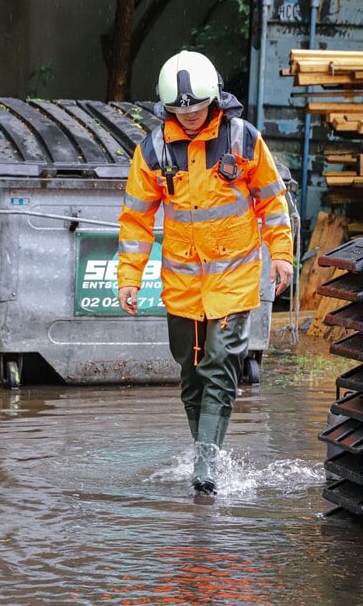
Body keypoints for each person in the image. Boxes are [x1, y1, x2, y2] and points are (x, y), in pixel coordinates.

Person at [116, 50, 294, 495]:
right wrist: (128, 279)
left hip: (232, 280)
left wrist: (281, 254)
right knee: (191, 372)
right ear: (166, 108)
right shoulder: (153, 150)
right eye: (179, 110)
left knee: (219, 365)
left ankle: (207, 466)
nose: (189, 117)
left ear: (212, 99)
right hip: (183, 285)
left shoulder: (243, 140)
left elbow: (272, 201)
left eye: (195, 108)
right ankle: (205, 449)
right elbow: (136, 220)